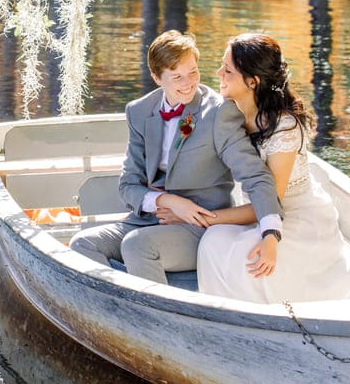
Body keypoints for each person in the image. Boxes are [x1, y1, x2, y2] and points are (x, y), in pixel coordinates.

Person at [69, 30, 284, 284]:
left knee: (138, 246)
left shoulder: (218, 113)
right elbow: (129, 186)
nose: (188, 83)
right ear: (157, 78)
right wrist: (167, 200)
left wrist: (271, 231)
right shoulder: (139, 112)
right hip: (145, 220)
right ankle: (116, 312)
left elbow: (255, 175)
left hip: (200, 227)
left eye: (193, 72)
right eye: (177, 77)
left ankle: (155, 321)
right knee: (82, 244)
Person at [194, 33, 350, 303]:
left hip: (292, 217)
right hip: (255, 211)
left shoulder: (284, 127)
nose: (218, 74)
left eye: (227, 70)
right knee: (214, 240)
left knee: (244, 257)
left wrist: (202, 217)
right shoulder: (229, 112)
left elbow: (271, 202)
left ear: (253, 82)